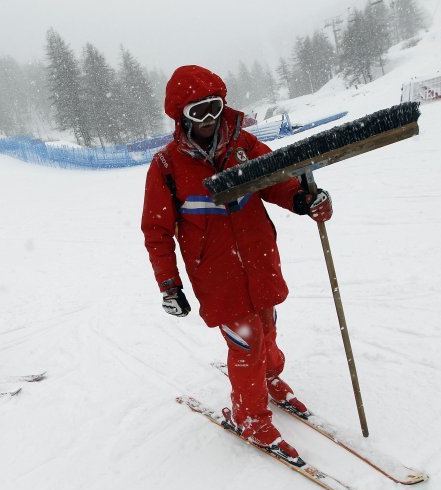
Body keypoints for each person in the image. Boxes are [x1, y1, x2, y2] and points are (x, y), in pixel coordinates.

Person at [141, 66, 333, 458]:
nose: (210, 120)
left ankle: (268, 378)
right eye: (199, 112)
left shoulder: (242, 145)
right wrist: (169, 284)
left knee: (267, 325)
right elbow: (156, 230)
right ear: (182, 116)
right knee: (245, 341)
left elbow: (278, 180)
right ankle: (251, 417)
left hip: (259, 258)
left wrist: (303, 199)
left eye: (214, 108)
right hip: (216, 273)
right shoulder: (167, 166)